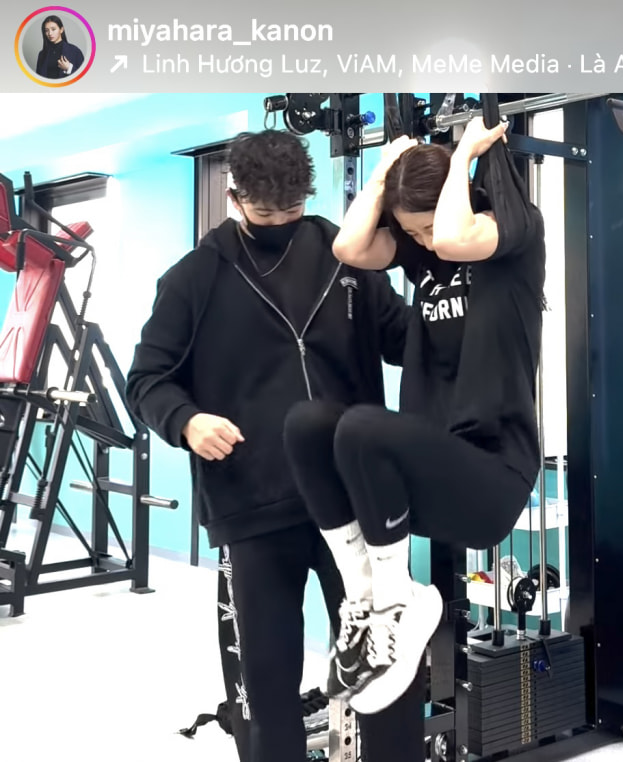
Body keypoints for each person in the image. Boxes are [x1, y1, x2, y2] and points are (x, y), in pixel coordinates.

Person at [125, 129, 420, 762]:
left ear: (307, 196)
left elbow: (406, 341)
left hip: (356, 504)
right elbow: (147, 379)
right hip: (253, 507)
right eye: (265, 214)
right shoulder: (195, 278)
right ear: (234, 199)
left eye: (292, 210)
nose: (281, 223)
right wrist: (186, 421)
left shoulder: (347, 258)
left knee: (387, 681)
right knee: (267, 688)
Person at [283, 115, 546, 719]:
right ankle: (369, 597)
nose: (423, 243)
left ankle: (401, 603)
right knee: (308, 425)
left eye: (424, 228)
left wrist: (463, 155)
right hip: (434, 468)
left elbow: (453, 237)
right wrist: (383, 170)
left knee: (363, 427)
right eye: (411, 233)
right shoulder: (423, 254)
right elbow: (349, 248)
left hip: (495, 474)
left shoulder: (514, 232)